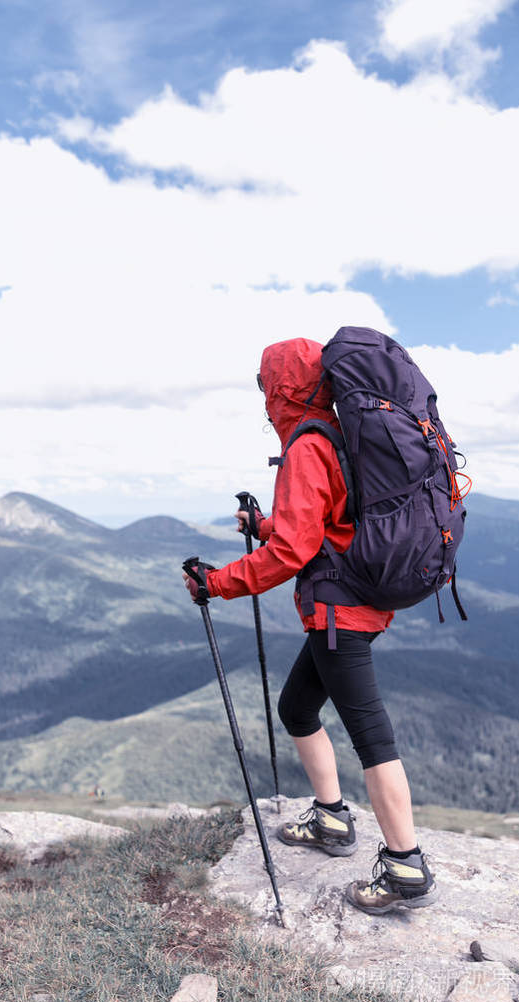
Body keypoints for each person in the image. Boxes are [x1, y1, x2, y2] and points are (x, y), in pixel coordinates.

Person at [183, 336, 437, 915]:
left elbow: (295, 552)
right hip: (360, 601)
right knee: (297, 708)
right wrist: (266, 522)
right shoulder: (348, 432)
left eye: (266, 386)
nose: (264, 399)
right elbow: (328, 520)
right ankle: (332, 820)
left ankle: (405, 865)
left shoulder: (307, 445)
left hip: (337, 612)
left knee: (373, 738)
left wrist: (216, 582)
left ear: (284, 389)